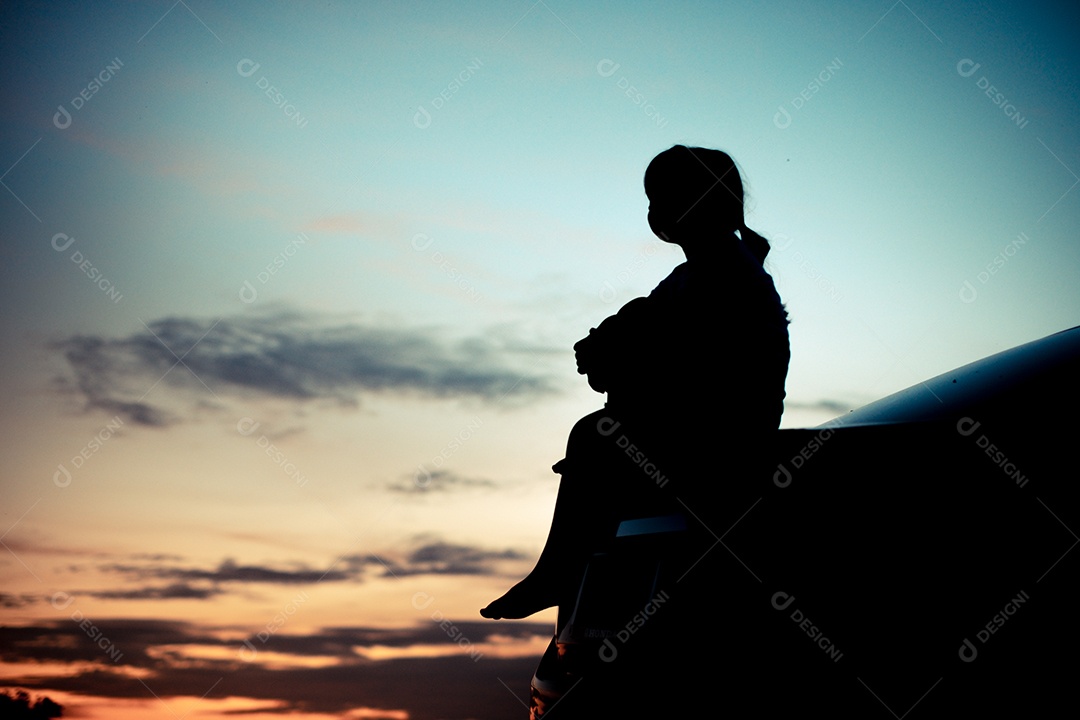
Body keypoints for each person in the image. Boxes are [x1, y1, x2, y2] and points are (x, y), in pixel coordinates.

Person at [480, 145, 790, 624]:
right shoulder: (694, 275)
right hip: (695, 423)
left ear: (700, 202)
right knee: (597, 434)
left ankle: (558, 570)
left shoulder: (726, 275)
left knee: (595, 435)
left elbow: (691, 365)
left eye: (664, 197)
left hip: (723, 438)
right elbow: (648, 336)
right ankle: (563, 571)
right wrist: (609, 347)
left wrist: (618, 352)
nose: (655, 211)